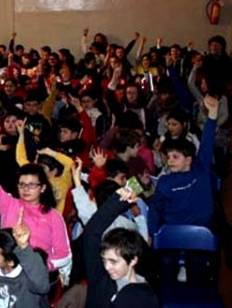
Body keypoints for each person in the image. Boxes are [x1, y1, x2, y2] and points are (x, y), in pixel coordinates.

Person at [0, 128, 72, 282]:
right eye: (22, 185)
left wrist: (39, 266)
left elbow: (64, 255)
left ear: (42, 188)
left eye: (31, 185)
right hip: (3, 272)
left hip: (33, 277)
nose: (25, 189)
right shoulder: (9, 204)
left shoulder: (53, 216)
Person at [148, 96, 219, 237]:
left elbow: (207, 143)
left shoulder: (200, 169)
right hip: (172, 236)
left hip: (201, 236)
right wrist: (153, 234)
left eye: (175, 157)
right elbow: (155, 210)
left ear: (188, 160)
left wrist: (212, 115)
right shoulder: (164, 181)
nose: (170, 161)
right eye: (168, 157)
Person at [83, 187, 159, 308]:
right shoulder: (101, 278)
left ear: (133, 260)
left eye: (113, 261)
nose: (107, 267)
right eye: (104, 260)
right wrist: (116, 201)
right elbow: (91, 234)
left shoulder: (145, 297)